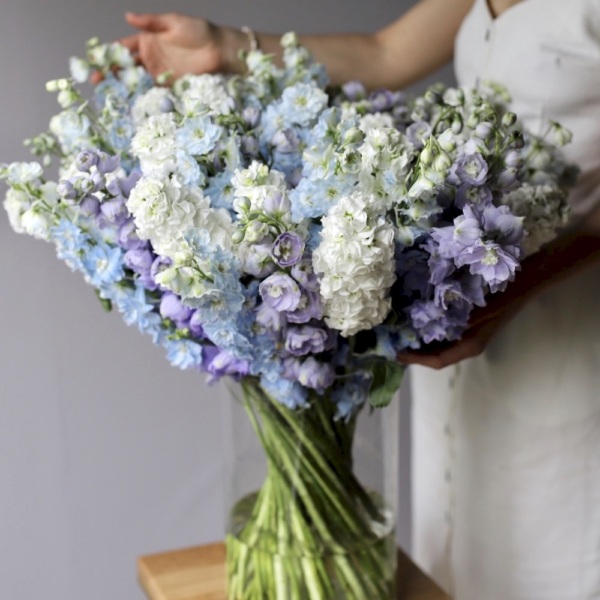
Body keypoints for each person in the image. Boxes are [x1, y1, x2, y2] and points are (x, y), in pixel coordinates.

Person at [117, 3, 600, 598]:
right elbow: (385, 54)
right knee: (450, 562)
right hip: (456, 329)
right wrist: (220, 47)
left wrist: (516, 282)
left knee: (545, 563)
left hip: (562, 332)